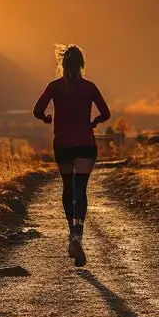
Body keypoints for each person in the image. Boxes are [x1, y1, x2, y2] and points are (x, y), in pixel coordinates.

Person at [33, 44, 111, 267]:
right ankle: (78, 234)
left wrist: (47, 119)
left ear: (62, 64)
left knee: (68, 187)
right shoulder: (89, 87)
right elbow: (106, 113)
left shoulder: (54, 87)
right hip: (86, 143)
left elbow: (37, 110)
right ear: (82, 64)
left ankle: (71, 232)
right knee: (81, 189)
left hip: (63, 144)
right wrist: (94, 122)